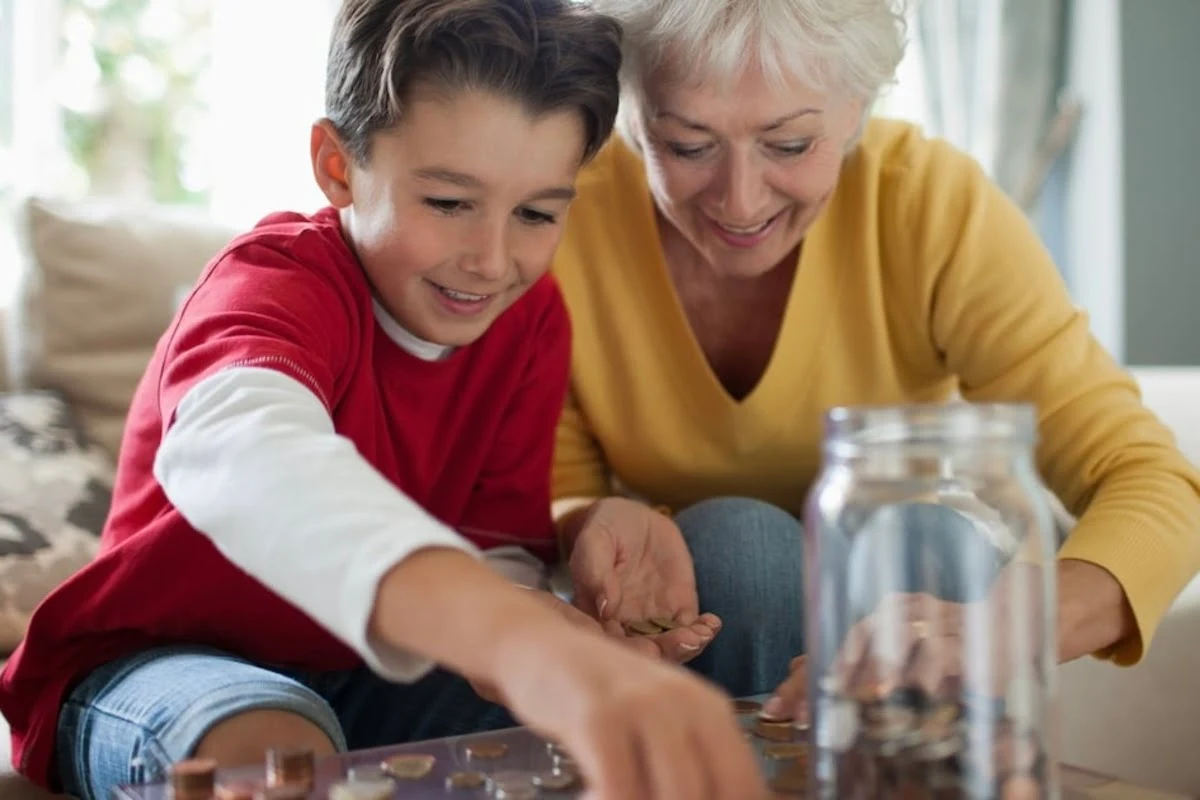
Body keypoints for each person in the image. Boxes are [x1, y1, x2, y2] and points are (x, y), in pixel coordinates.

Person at [0, 2, 768, 799]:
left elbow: (492, 543)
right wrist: (506, 638)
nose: (491, 260)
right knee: (278, 749)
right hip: (166, 662)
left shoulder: (531, 321)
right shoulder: (274, 282)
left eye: (537, 213)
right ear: (338, 167)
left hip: (363, 670)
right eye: (447, 203)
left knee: (574, 741)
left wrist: (539, 617)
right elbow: (250, 457)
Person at [550, 0, 1200, 721]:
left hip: (911, 575)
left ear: (856, 105)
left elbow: (1152, 481)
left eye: (790, 144)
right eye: (688, 144)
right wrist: (591, 523)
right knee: (741, 547)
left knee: (920, 537)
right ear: (630, 114)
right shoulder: (562, 215)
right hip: (705, 596)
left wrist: (1017, 623)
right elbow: (561, 491)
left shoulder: (928, 204)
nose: (740, 201)